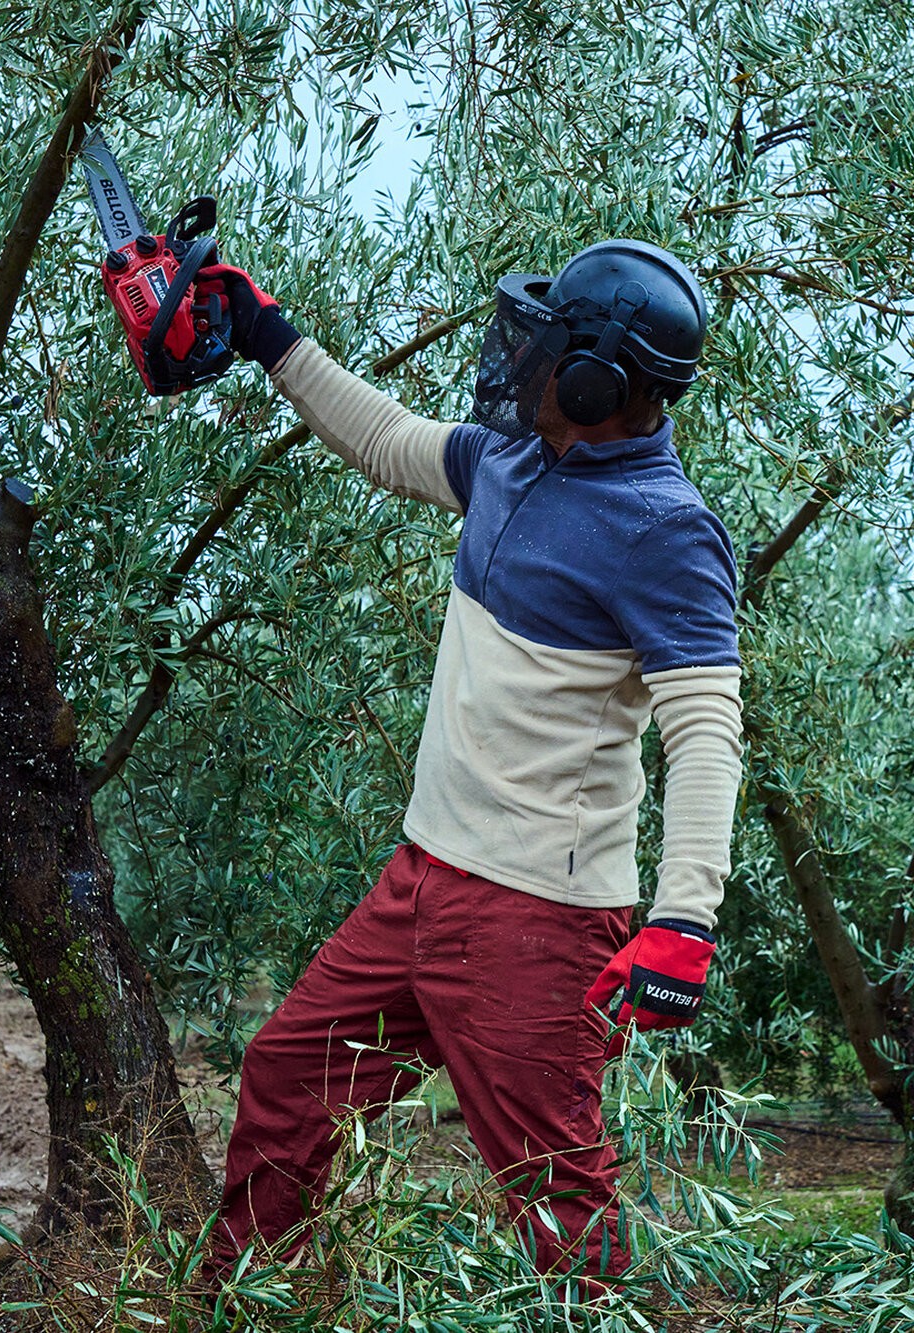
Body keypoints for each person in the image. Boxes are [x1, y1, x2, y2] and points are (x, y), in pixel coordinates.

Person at [191, 240, 744, 1280]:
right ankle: (241, 1303)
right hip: (422, 878)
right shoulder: (511, 458)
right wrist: (265, 334)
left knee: (554, 1193)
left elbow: (705, 725)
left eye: (546, 348)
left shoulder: (667, 531)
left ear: (597, 382)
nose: (519, 362)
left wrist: (684, 918)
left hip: (536, 915)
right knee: (284, 1079)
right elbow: (389, 440)